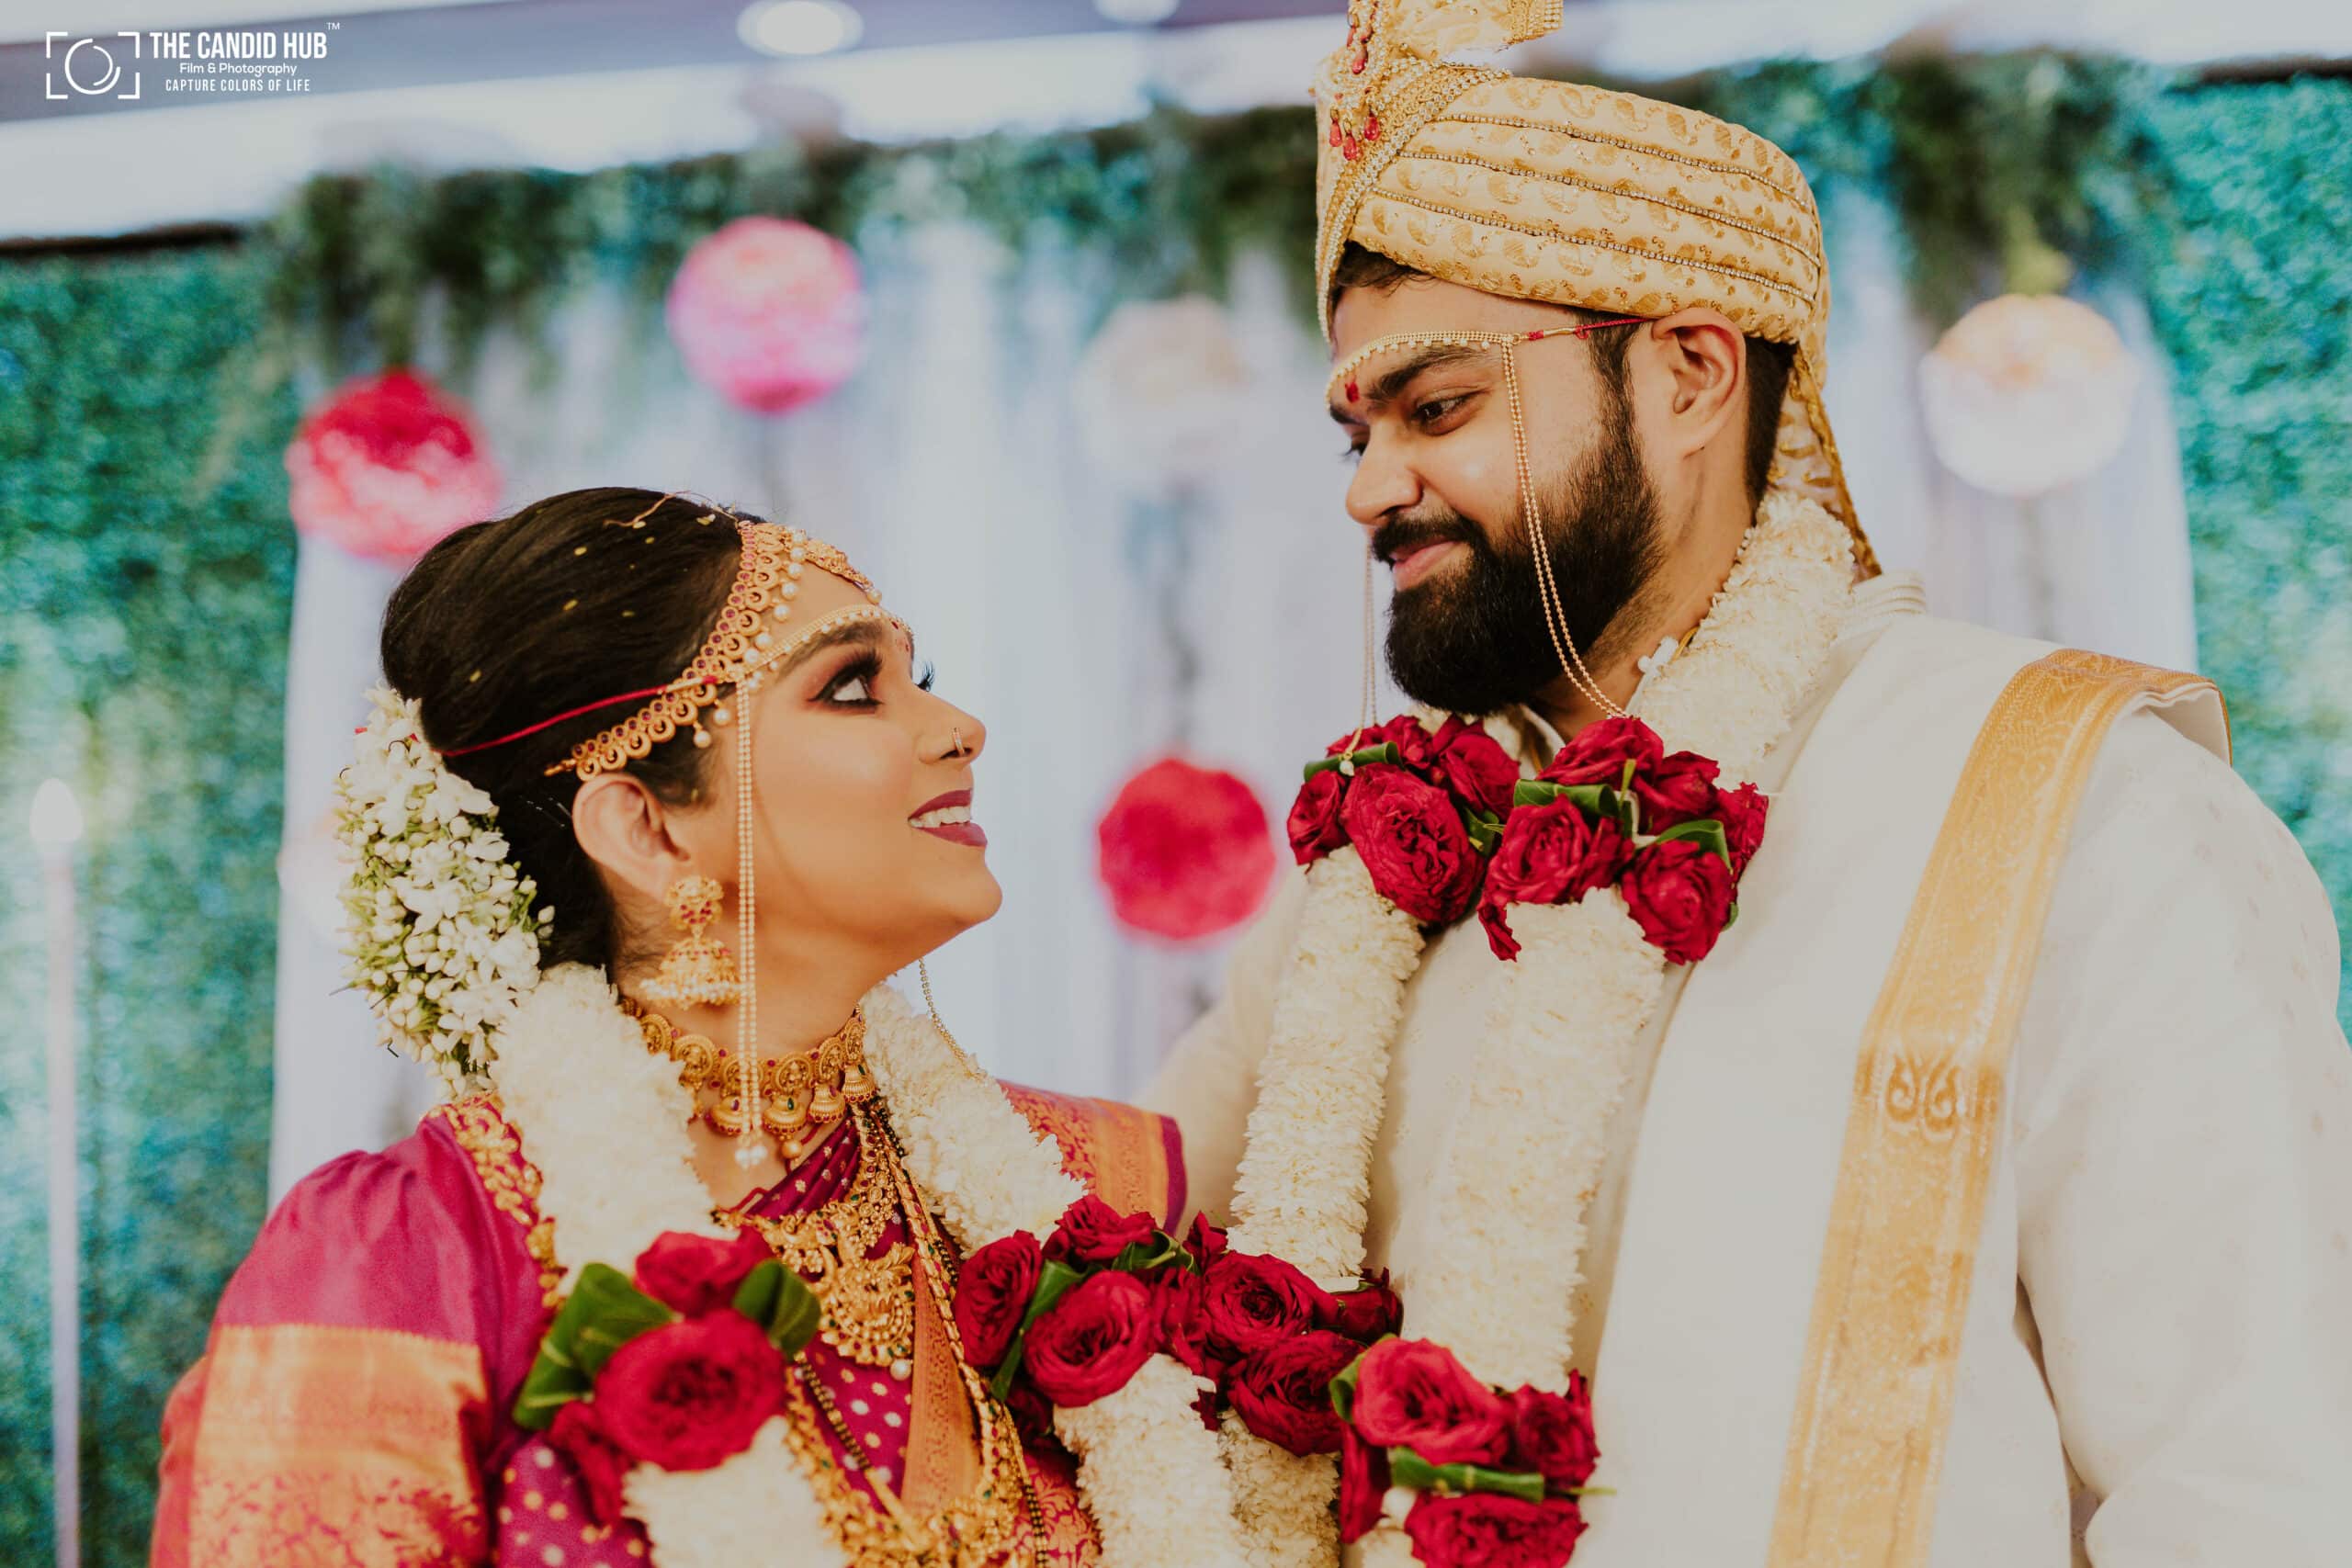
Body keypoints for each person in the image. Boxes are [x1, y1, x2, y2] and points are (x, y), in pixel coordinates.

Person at [1147, 4, 2352, 1563]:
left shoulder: (2076, 803)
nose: (1374, 487)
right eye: (1356, 436)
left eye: (1438, 407)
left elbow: (2260, 1481)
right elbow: (1101, 1220)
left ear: (1691, 374)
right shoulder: (1376, 897)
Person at [152, 488, 1181, 1566]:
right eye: (851, 688)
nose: (959, 727)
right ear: (645, 828)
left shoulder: (1078, 1195)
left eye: (914, 678)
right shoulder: (413, 1264)